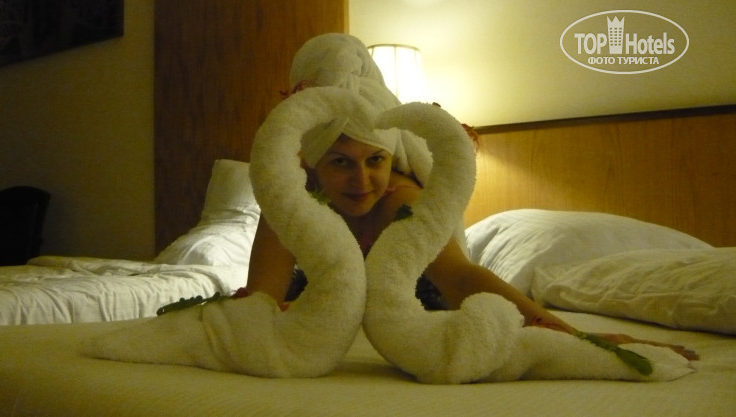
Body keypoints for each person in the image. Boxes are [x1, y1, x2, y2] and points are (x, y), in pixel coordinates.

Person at [245, 33, 697, 361]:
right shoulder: (294, 200)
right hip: (321, 308)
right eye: (341, 162)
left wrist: (580, 338)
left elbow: (460, 277)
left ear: (392, 157)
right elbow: (261, 301)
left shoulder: (403, 202)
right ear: (314, 163)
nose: (361, 180)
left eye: (375, 160)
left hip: (419, 308)